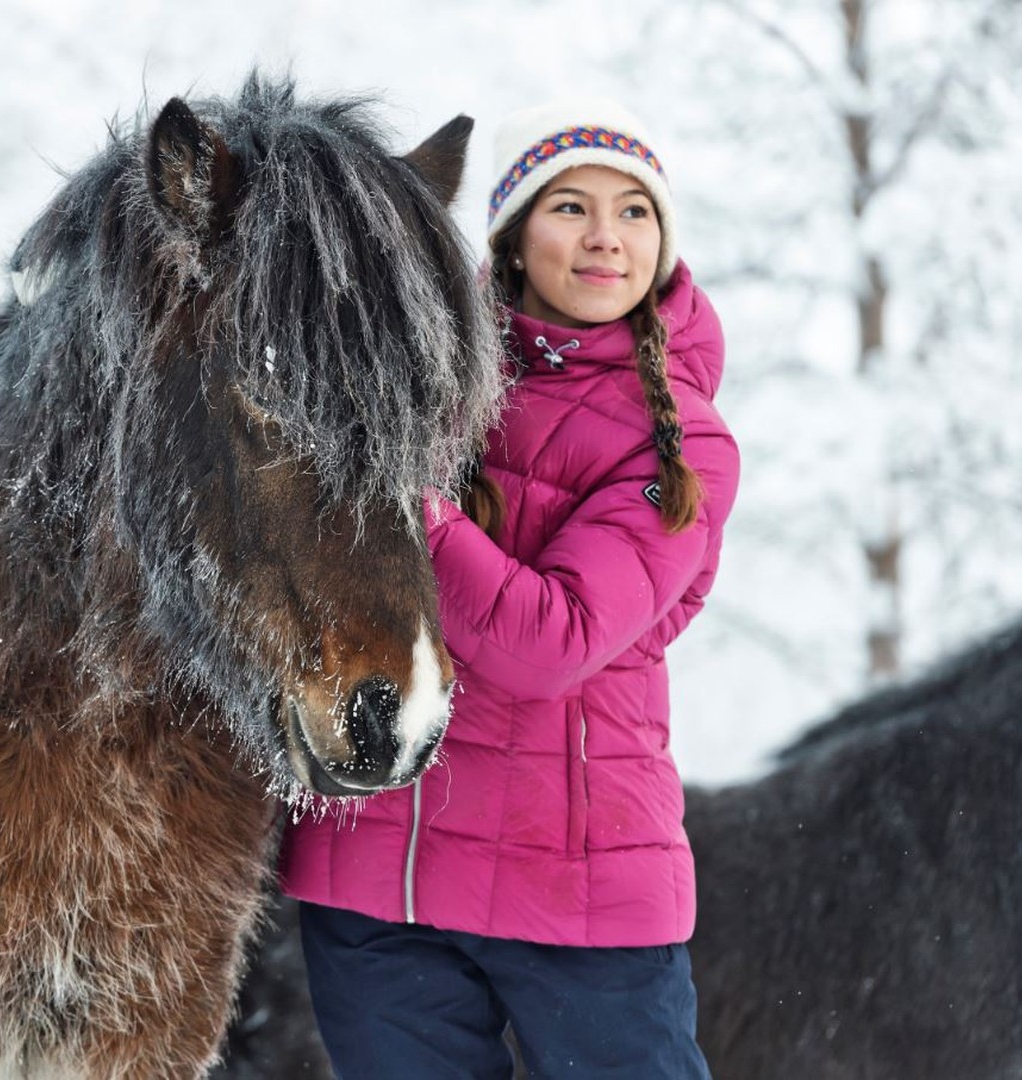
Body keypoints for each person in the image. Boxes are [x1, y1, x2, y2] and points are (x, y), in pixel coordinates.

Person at [278, 98, 740, 1078]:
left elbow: (553, 642)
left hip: (578, 896)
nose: (606, 237)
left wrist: (401, 500)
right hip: (379, 880)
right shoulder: (414, 386)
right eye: (570, 208)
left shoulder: (681, 442)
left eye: (636, 213)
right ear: (515, 238)